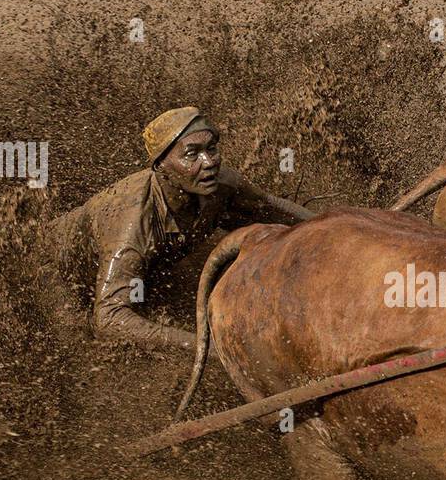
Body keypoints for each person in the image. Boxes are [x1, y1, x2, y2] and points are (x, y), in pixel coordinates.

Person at [49, 106, 312, 351]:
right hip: (56, 274)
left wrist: (342, 223)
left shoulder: (220, 185)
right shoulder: (132, 224)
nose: (208, 162)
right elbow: (109, 319)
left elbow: (273, 208)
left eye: (212, 149)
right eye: (192, 154)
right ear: (160, 166)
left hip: (146, 270)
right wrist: (204, 347)